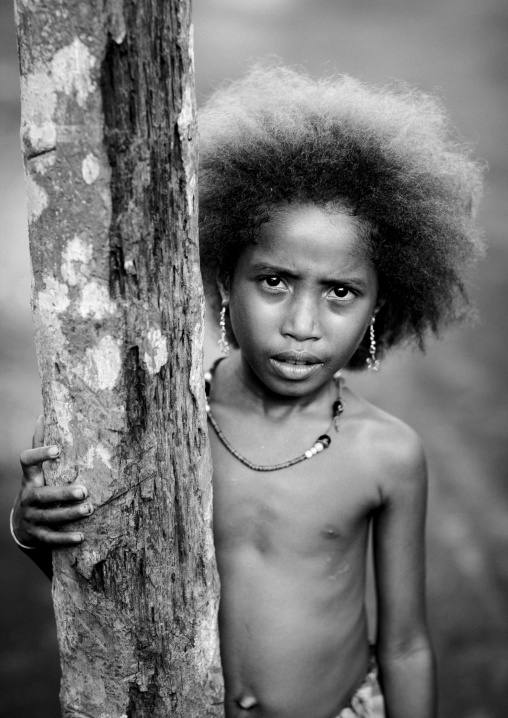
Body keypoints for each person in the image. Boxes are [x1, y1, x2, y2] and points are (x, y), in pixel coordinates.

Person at [10, 66, 484, 718]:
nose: (300, 325)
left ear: (381, 302)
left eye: (340, 292)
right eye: (274, 281)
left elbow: (404, 646)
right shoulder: (164, 426)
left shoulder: (387, 455)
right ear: (224, 279)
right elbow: (105, 590)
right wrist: (37, 531)